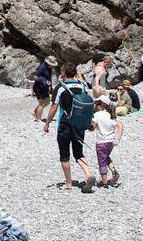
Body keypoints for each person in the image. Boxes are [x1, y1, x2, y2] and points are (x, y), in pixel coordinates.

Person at [43, 62, 96, 193]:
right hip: (79, 124)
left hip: (64, 125)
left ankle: (68, 183)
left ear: (63, 72)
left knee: (64, 155)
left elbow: (54, 107)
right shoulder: (83, 85)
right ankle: (88, 174)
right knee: (78, 153)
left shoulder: (60, 87)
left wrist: (47, 123)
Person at [91, 99, 123, 187]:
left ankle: (104, 183)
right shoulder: (112, 114)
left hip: (101, 142)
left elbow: (92, 128)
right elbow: (120, 126)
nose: (95, 105)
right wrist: (118, 139)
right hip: (111, 142)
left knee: (102, 162)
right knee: (105, 157)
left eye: (96, 103)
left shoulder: (97, 115)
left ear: (101, 105)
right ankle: (114, 171)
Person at [32, 55, 56, 122]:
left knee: (47, 101)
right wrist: (44, 81)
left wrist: (51, 87)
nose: (53, 66)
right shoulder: (41, 67)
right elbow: (35, 77)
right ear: (48, 63)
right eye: (52, 64)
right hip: (38, 87)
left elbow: (49, 77)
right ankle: (38, 119)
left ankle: (35, 112)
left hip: (45, 87)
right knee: (41, 103)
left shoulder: (50, 68)